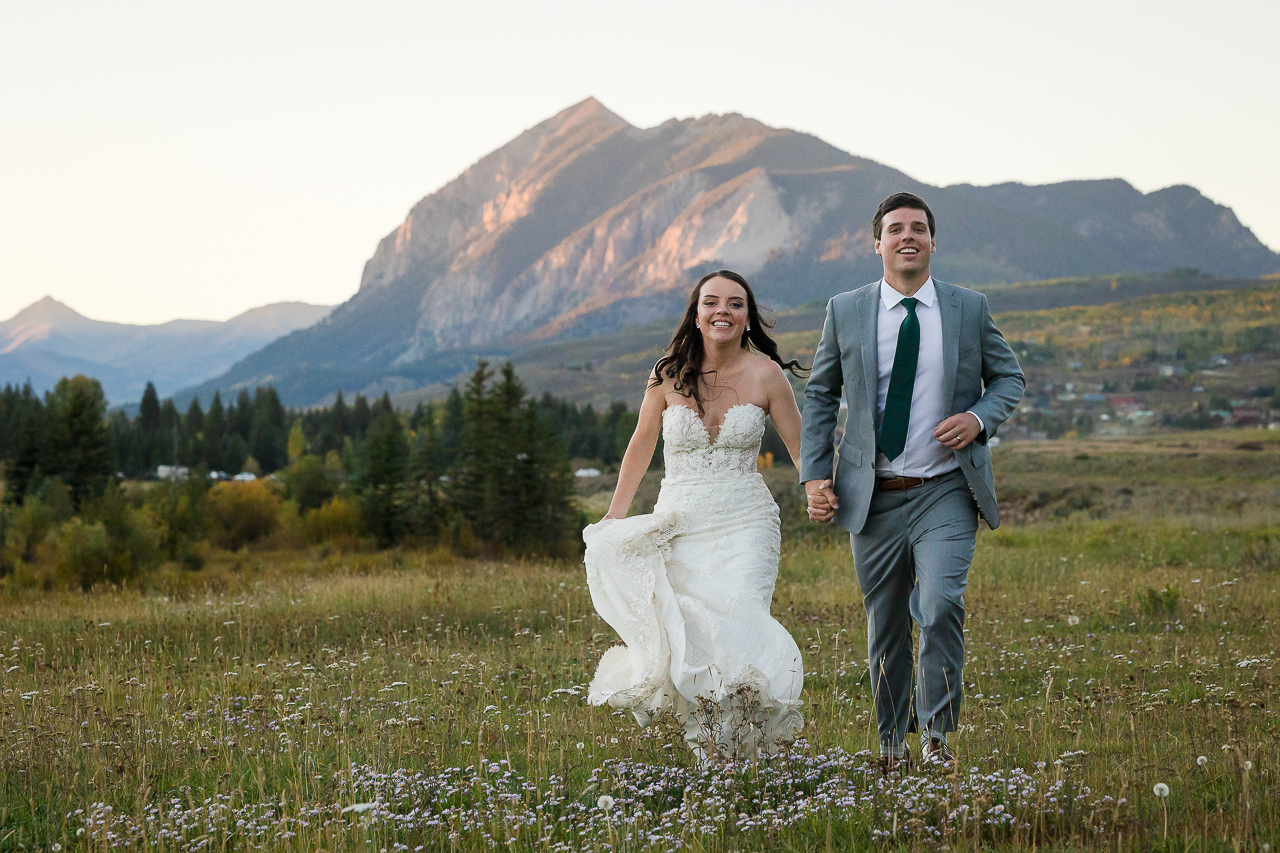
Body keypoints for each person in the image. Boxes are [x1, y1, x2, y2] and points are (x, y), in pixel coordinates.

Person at [800, 192, 1024, 772]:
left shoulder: (967, 308)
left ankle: (937, 738)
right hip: (871, 495)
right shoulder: (845, 309)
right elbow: (821, 393)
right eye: (895, 229)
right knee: (887, 625)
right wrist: (814, 475)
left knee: (941, 603)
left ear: (932, 241)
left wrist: (978, 419)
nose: (908, 237)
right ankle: (892, 746)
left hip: (946, 488)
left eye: (918, 228)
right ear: (877, 243)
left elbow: (1009, 378)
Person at [584, 269, 807, 760]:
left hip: (745, 521)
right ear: (697, 312)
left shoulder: (767, 374)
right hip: (681, 521)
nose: (722, 311)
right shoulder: (666, 375)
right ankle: (712, 752)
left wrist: (820, 492)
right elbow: (641, 444)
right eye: (711, 302)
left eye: (734, 303)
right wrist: (614, 516)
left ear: (748, 316)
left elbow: (802, 450)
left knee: (741, 619)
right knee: (693, 628)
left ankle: (756, 748)